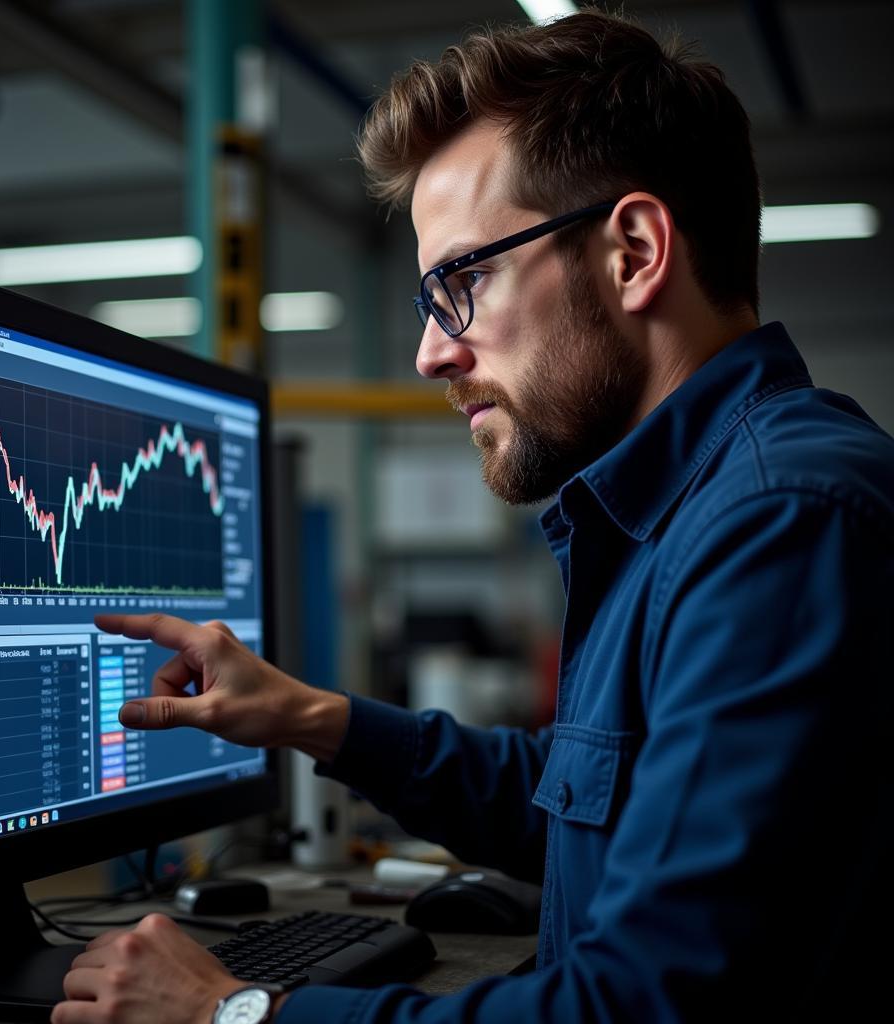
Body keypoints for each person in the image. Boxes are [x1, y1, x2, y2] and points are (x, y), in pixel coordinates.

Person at [53, 10, 893, 1024]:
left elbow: (639, 1007)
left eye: (462, 281)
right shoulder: (687, 513)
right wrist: (312, 718)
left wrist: (233, 1014)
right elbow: (592, 802)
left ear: (632, 251)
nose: (430, 353)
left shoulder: (780, 524)